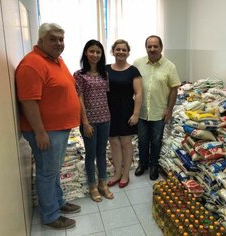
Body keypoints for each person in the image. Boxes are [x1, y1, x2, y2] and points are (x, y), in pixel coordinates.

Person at [15, 23, 81, 229]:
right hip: (47, 131)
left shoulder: (56, 60)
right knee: (47, 172)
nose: (59, 43)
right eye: (53, 39)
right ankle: (50, 215)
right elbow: (28, 101)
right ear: (40, 40)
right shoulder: (32, 64)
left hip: (58, 129)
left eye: (61, 39)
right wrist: (40, 132)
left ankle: (58, 202)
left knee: (53, 170)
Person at [133, 35, 181, 180]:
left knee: (156, 141)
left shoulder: (169, 66)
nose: (152, 49)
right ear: (146, 47)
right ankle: (143, 164)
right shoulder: (137, 64)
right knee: (142, 140)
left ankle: (154, 165)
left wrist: (169, 109)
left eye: (155, 46)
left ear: (161, 48)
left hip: (159, 112)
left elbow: (174, 89)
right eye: (149, 46)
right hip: (141, 111)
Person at [73, 40, 114, 201]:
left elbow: (105, 96)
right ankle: (92, 186)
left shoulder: (105, 74)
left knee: (102, 153)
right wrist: (85, 122)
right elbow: (79, 99)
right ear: (85, 53)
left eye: (98, 52)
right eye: (92, 51)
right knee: (90, 155)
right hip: (89, 121)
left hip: (105, 119)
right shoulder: (79, 75)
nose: (95, 55)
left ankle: (103, 184)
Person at [106, 39, 142, 188]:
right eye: (118, 49)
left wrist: (136, 114)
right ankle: (116, 173)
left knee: (126, 143)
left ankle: (126, 174)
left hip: (127, 109)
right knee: (114, 143)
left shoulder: (133, 70)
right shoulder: (105, 69)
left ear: (128, 52)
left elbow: (139, 94)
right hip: (109, 110)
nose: (120, 52)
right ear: (113, 51)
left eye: (123, 50)